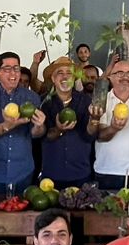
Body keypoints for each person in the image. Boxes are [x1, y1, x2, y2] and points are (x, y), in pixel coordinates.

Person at [0, 52, 45, 196]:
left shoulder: (31, 98)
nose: (13, 73)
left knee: (22, 215)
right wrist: (8, 125)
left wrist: (39, 125)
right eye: (7, 69)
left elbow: (36, 133)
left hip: (23, 169)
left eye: (16, 68)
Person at [90, 60, 129, 190]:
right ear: (110, 77)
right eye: (120, 73)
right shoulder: (101, 100)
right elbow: (99, 135)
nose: (125, 77)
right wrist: (114, 128)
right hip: (107, 171)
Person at [38, 57, 92, 188]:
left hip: (80, 171)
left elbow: (89, 135)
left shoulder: (86, 101)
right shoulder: (44, 103)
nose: (65, 77)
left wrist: (94, 119)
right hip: (52, 172)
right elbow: (43, 136)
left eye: (69, 73)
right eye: (60, 73)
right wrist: (59, 129)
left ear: (74, 78)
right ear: (53, 78)